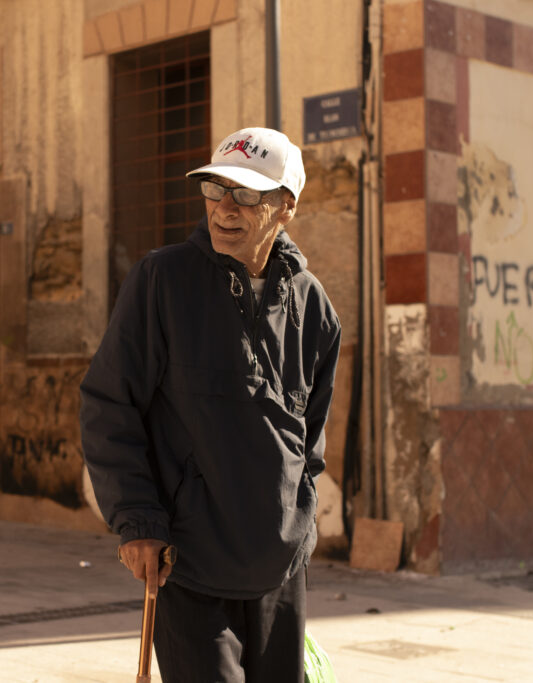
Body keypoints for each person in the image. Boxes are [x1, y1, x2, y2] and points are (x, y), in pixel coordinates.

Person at [80, 127, 341, 682]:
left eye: (246, 195)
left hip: (279, 568)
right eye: (214, 189)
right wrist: (138, 522)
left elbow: (310, 435)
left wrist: (303, 525)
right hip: (187, 563)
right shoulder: (162, 280)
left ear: (286, 207)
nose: (224, 208)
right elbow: (109, 404)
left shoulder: (312, 304)